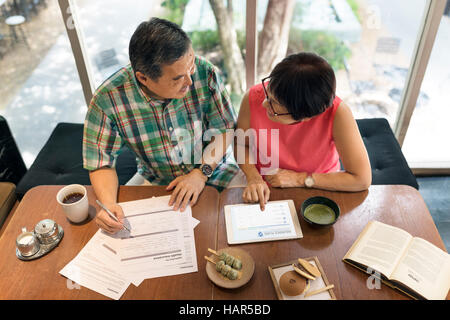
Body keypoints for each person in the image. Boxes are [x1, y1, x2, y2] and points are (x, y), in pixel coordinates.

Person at [83, 18, 239, 234]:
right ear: (143, 78)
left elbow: (224, 129)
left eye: (190, 65)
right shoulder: (107, 99)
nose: (190, 81)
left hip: (213, 168)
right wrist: (108, 204)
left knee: (238, 222)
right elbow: (100, 162)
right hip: (157, 180)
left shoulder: (205, 72)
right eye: (177, 78)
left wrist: (199, 174)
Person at [235, 52, 372, 210]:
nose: (264, 103)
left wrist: (299, 179)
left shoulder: (339, 113)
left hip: (319, 187)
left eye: (274, 103)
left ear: (307, 117)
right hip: (262, 185)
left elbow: (361, 179)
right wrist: (253, 178)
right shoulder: (253, 97)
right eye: (268, 92)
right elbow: (241, 145)